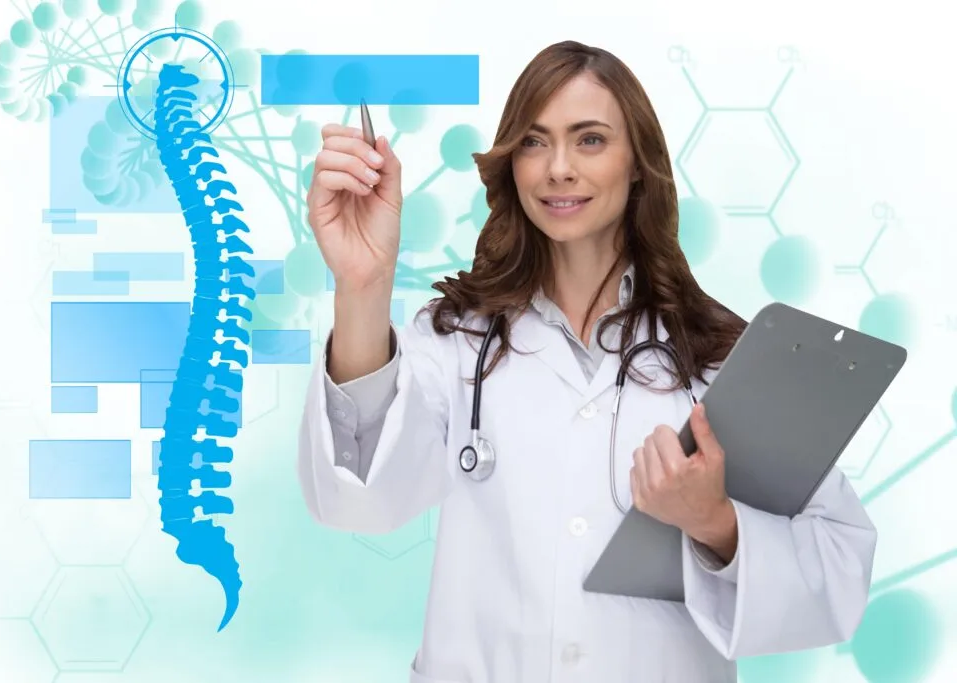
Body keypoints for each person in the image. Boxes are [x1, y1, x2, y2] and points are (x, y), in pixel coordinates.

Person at [297, 40, 876, 683]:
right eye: (535, 142)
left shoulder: (718, 358)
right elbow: (357, 500)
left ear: (637, 166)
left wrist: (714, 523)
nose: (559, 169)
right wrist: (362, 284)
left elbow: (839, 568)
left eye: (591, 140)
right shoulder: (456, 340)